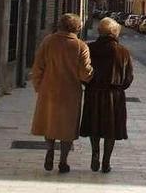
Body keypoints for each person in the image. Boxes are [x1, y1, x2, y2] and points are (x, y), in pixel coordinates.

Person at [30, 13, 93, 173]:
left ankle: (50, 149)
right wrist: (91, 74)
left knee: (49, 122)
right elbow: (84, 72)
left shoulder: (48, 42)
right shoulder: (80, 46)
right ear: (77, 27)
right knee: (67, 129)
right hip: (70, 92)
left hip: (49, 89)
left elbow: (38, 66)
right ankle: (63, 161)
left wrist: (39, 85)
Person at [80, 17, 134, 173]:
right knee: (111, 129)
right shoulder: (122, 52)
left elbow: (83, 71)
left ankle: (95, 153)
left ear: (100, 31)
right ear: (115, 32)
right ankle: (106, 161)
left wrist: (89, 84)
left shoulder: (90, 48)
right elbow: (128, 77)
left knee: (94, 125)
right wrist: (119, 87)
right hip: (114, 95)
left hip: (94, 92)